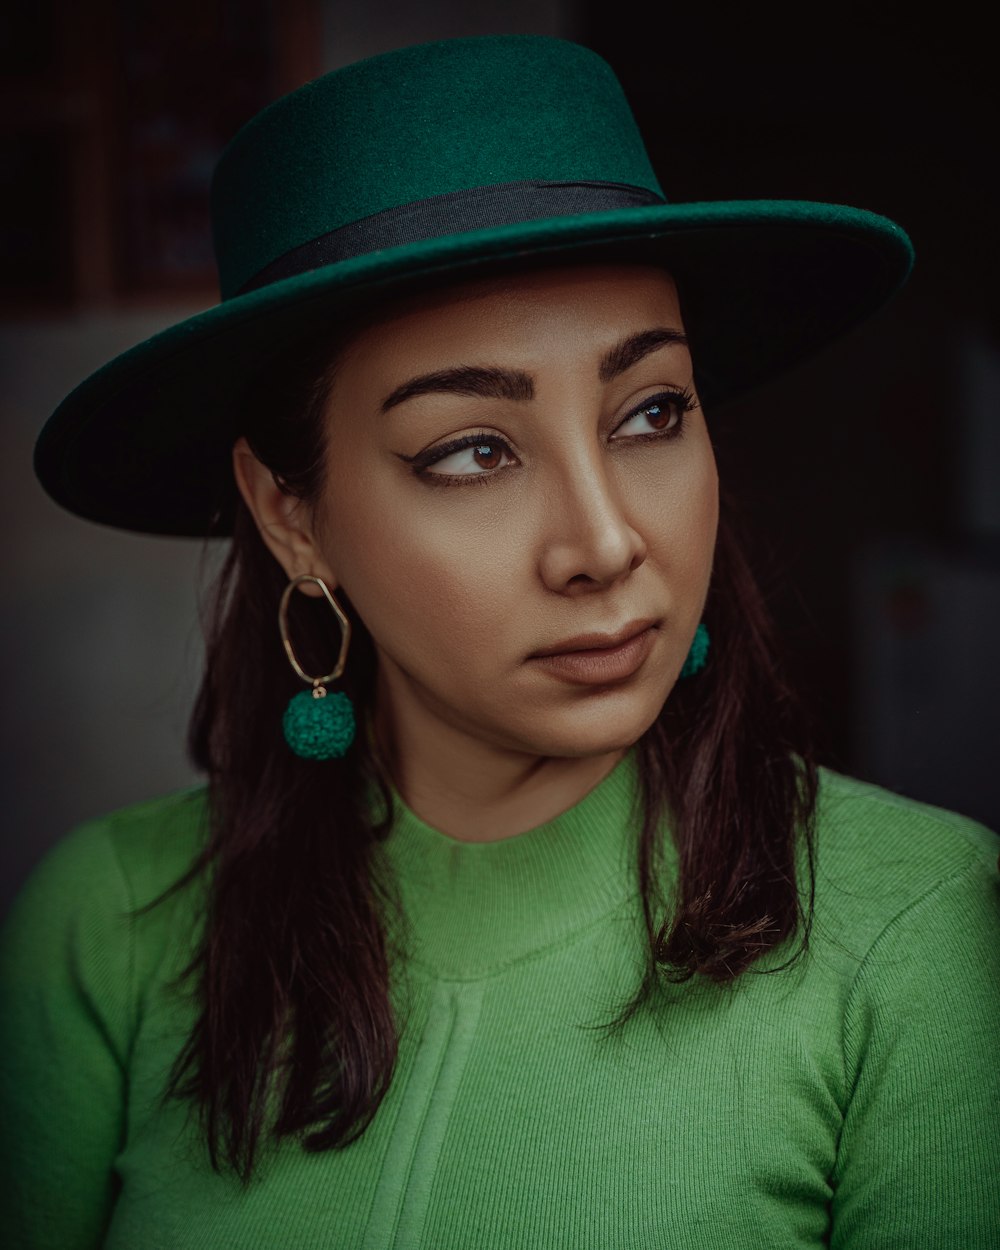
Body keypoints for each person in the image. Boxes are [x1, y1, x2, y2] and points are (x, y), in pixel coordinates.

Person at [2, 33, 998, 1250]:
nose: (604, 540)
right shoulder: (105, 928)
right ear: (289, 512)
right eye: (471, 449)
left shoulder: (915, 928)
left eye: (650, 411)